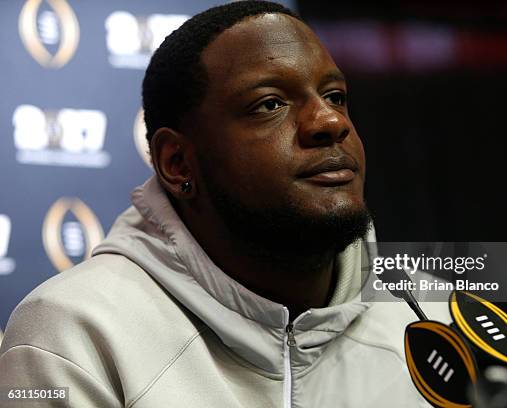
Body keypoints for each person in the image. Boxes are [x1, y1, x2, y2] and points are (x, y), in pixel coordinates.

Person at [0, 2, 459, 407]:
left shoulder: (441, 319)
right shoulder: (74, 334)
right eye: (270, 104)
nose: (329, 121)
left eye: (335, 96)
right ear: (178, 162)